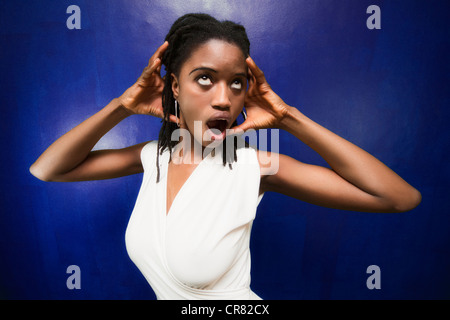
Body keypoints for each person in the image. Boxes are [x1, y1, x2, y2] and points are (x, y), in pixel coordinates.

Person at [29, 13, 421, 299]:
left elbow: (399, 198)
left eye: (237, 83)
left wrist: (288, 119)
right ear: (174, 88)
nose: (224, 99)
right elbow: (48, 169)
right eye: (204, 78)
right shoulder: (155, 157)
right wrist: (121, 106)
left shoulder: (254, 164)